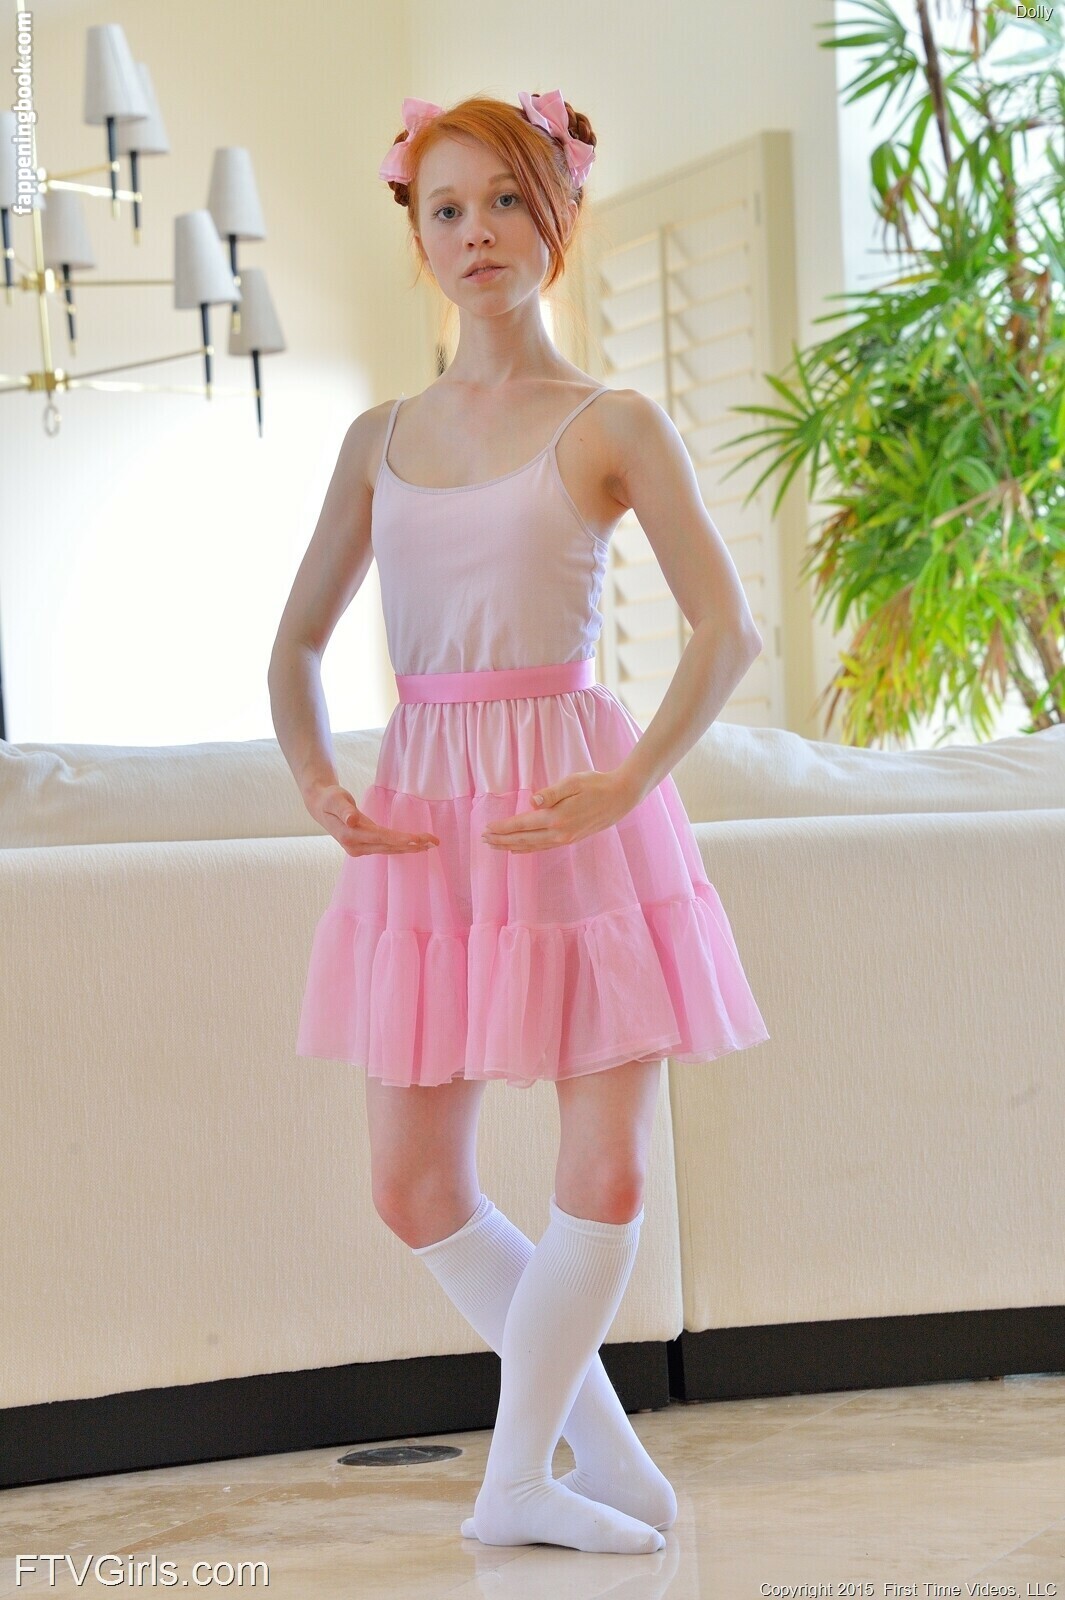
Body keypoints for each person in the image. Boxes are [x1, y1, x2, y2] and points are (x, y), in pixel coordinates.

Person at [268, 89, 770, 1557]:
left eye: (504, 201)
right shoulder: (377, 438)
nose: (475, 232)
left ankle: (513, 1486)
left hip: (574, 806)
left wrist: (631, 781)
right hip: (427, 821)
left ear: (556, 217)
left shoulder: (612, 423)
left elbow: (725, 629)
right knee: (413, 1186)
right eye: (445, 208)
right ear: (416, 234)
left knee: (604, 1169)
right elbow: (297, 646)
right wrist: (320, 784)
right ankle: (595, 1455)